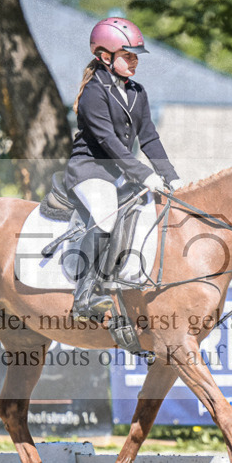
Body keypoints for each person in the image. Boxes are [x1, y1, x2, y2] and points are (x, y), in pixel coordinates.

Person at [64, 17, 182, 321]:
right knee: (105, 216)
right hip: (89, 170)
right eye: (127, 56)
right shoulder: (94, 92)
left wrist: (171, 176)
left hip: (119, 174)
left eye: (135, 56)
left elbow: (150, 137)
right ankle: (85, 296)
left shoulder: (137, 92)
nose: (134, 62)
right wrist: (144, 174)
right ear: (105, 57)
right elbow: (108, 140)